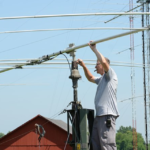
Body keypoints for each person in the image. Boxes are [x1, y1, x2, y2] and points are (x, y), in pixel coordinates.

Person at [76, 41, 119, 150]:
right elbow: (90, 77)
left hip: (107, 115)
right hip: (100, 116)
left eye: (97, 63)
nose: (95, 66)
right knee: (96, 145)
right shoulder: (101, 80)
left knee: (107, 145)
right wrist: (83, 65)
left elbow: (104, 62)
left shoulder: (110, 75)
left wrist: (94, 49)